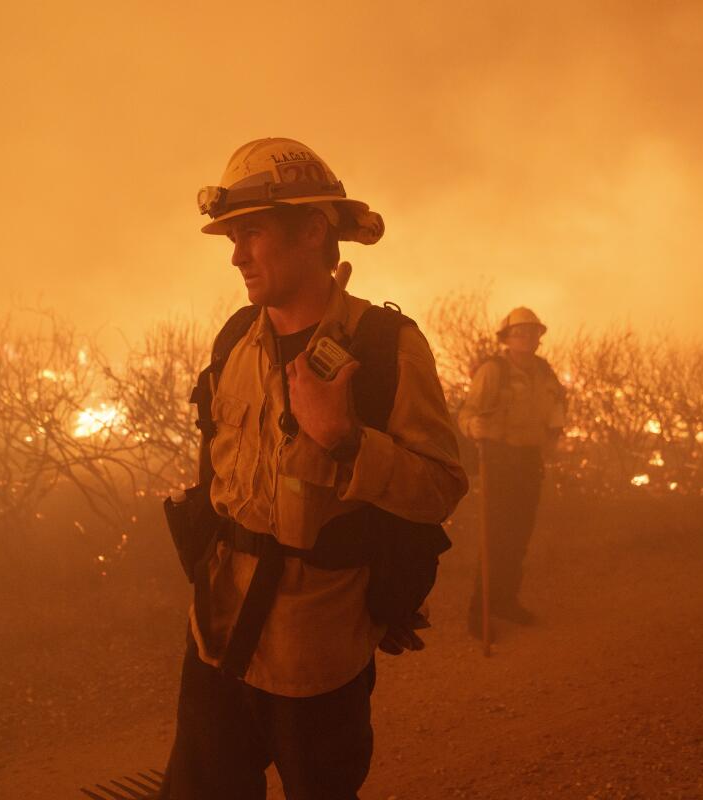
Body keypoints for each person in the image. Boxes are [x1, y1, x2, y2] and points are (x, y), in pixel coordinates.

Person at [159, 137, 467, 799]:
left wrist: (347, 439)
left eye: (253, 233)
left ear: (312, 230)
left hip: (317, 651)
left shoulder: (387, 346)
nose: (237, 255)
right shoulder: (234, 340)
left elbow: (442, 484)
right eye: (231, 238)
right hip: (216, 634)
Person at [458, 307, 566, 636]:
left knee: (519, 537)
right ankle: (481, 613)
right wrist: (474, 426)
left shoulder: (545, 372)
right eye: (520, 332)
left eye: (533, 332)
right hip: (499, 460)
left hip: (529, 460)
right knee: (495, 537)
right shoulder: (493, 371)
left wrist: (554, 431)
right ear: (507, 338)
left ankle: (506, 600)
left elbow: (557, 405)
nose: (528, 338)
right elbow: (467, 414)